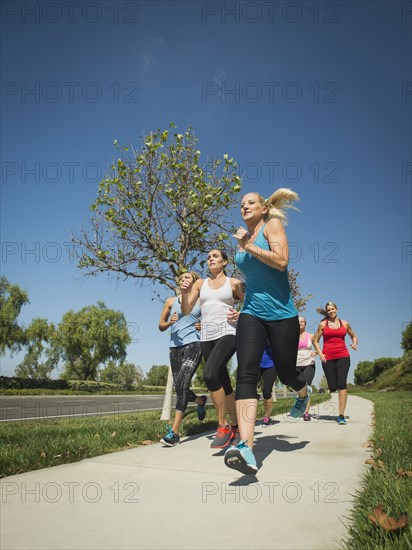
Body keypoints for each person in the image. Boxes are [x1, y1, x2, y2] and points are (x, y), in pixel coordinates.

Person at [224, 188, 312, 475]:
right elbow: (253, 278)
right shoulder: (240, 241)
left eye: (250, 202)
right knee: (246, 371)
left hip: (283, 315)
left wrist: (249, 245)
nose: (244, 206)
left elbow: (281, 261)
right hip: (252, 312)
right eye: (241, 204)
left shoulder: (271, 226)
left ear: (263, 208)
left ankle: (302, 393)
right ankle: (246, 448)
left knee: (286, 372)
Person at [181, 249, 244, 449]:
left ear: (225, 261)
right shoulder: (200, 284)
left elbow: (252, 302)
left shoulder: (233, 283)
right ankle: (236, 427)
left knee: (209, 374)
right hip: (206, 337)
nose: (210, 259)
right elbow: (186, 310)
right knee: (223, 383)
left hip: (228, 333)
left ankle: (223, 425)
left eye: (215, 256)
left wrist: (241, 314)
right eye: (208, 257)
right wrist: (184, 293)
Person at [158, 271, 207, 447]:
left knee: (182, 385)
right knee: (180, 387)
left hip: (194, 344)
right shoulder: (170, 301)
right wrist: (169, 322)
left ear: (194, 282)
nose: (183, 279)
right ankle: (201, 400)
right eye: (182, 278)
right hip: (174, 348)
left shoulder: (201, 300)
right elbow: (160, 326)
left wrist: (204, 323)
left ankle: (175, 432)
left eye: (188, 277)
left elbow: (212, 317)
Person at [313, 302, 358, 425]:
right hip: (328, 358)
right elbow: (315, 341)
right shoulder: (322, 325)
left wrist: (354, 343)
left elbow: (354, 336)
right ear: (327, 312)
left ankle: (341, 415)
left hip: (343, 356)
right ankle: (333, 387)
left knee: (342, 384)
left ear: (337, 309)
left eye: (333, 309)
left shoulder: (345, 323)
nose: (331, 311)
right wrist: (320, 354)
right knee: (333, 387)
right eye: (329, 310)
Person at [296, 316, 317, 421]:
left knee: (307, 387)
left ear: (305, 323)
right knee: (300, 388)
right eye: (299, 322)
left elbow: (318, 347)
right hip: (296, 365)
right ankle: (300, 407)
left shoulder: (311, 336)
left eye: (302, 322)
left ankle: (306, 412)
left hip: (309, 363)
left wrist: (316, 352)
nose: (300, 323)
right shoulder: (291, 336)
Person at [258, 343, 277, 426]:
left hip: (270, 365)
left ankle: (267, 416)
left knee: (266, 391)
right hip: (255, 364)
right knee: (247, 388)